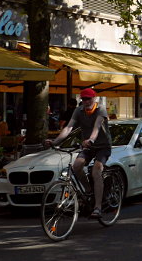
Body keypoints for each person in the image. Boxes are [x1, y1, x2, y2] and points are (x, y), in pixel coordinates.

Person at [45, 88, 112, 219]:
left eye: (89, 99)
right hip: (88, 146)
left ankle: (98, 207)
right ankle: (88, 190)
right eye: (84, 99)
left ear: (94, 98)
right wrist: (55, 141)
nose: (86, 101)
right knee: (77, 166)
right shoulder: (78, 111)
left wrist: (91, 139)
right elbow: (69, 127)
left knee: (96, 170)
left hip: (102, 146)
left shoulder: (100, 109)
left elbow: (96, 127)